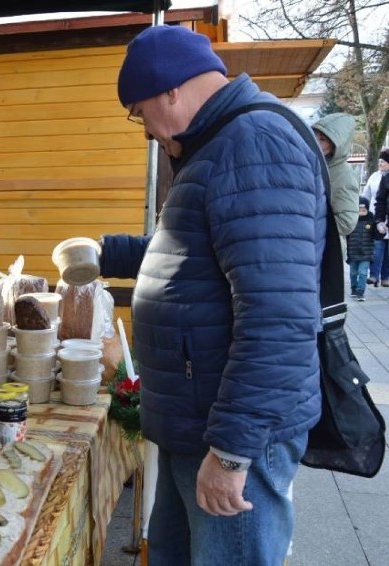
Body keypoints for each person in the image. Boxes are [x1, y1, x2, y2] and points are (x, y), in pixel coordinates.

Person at [99, 26, 325, 565]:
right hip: (197, 421)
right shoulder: (217, 145)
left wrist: (229, 453)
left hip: (227, 431)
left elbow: (278, 315)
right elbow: (188, 250)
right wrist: (106, 254)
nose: (146, 129)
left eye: (138, 112)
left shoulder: (251, 144)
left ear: (170, 92)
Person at [312, 113, 361, 255]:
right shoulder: (315, 164)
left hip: (328, 252)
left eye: (322, 139)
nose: (316, 142)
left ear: (336, 144)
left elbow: (346, 222)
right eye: (314, 136)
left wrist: (308, 224)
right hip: (312, 247)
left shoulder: (343, 175)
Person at [361, 149, 389, 285]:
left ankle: (386, 277)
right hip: (376, 216)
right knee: (377, 246)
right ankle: (373, 275)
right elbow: (366, 195)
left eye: (383, 162)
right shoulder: (375, 176)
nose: (380, 164)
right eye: (379, 161)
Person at [346, 196, 378, 301]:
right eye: (359, 210)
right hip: (353, 252)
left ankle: (360, 292)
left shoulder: (371, 221)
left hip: (366, 253)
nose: (361, 212)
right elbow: (346, 236)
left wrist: (379, 229)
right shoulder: (352, 220)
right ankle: (354, 289)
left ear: (367, 210)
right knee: (353, 273)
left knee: (363, 273)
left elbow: (377, 236)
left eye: (364, 210)